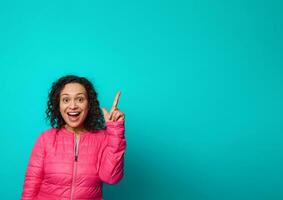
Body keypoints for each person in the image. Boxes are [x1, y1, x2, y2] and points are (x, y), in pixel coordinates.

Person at [21, 75, 126, 200]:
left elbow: (111, 178)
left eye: (80, 99)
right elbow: (31, 185)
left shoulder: (103, 138)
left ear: (89, 105)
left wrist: (115, 130)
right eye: (66, 100)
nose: (73, 106)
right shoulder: (46, 139)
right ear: (58, 105)